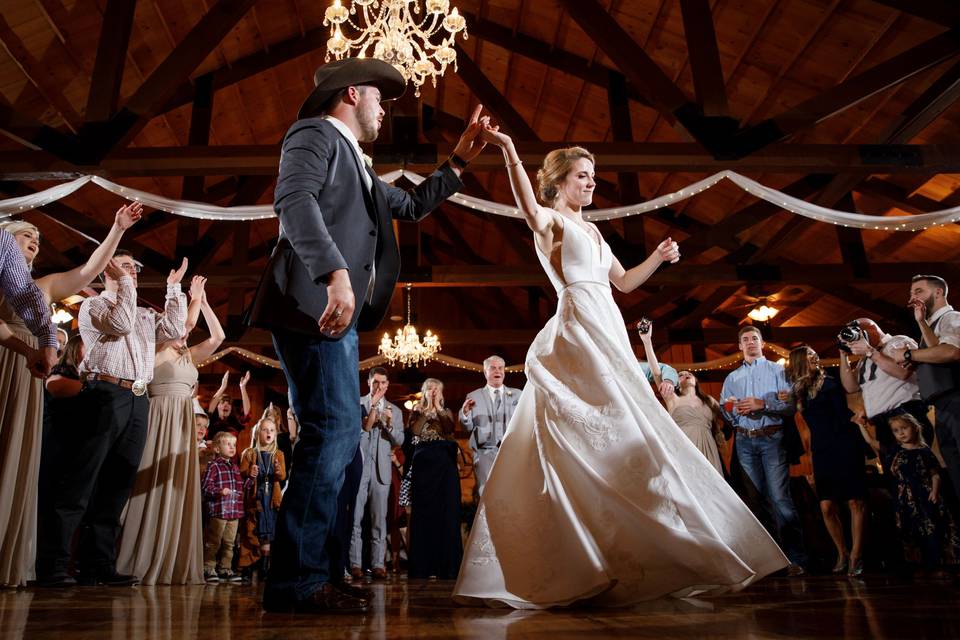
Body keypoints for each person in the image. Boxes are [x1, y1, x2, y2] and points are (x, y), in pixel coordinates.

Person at [454, 133, 788, 609]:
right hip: (578, 329)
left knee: (629, 429)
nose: (591, 183)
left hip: (608, 324)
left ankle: (638, 545)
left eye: (593, 176)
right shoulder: (550, 225)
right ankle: (578, 550)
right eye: (582, 176)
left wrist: (659, 256)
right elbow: (528, 206)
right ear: (560, 182)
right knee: (590, 427)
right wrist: (508, 150)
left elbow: (625, 282)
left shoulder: (593, 232)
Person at [246, 56, 488, 614]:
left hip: (339, 314)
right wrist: (334, 274)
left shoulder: (361, 165)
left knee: (335, 442)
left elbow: (413, 205)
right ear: (352, 94)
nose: (386, 109)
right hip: (315, 304)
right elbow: (293, 201)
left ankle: (322, 571)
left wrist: (458, 162)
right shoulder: (313, 134)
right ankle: (297, 583)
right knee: (331, 436)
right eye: (382, 98)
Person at [0, 205, 140, 587]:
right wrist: (28, 349)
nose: (34, 241)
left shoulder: (42, 287)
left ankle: (10, 555)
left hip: (31, 370)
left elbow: (88, 271)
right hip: (8, 360)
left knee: (18, 457)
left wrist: (116, 228)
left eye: (38, 239)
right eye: (26, 234)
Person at [35, 252, 187, 587]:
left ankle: (97, 564)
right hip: (103, 393)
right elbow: (120, 324)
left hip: (137, 398)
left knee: (117, 483)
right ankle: (54, 564)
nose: (133, 270)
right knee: (81, 480)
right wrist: (126, 285)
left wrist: (174, 290)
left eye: (135, 266)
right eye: (126, 265)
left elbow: (176, 328)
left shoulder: (146, 315)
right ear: (109, 271)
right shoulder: (94, 306)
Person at [116, 275, 225, 585]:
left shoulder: (188, 356)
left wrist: (202, 302)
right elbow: (182, 327)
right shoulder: (153, 352)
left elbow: (218, 337)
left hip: (182, 424)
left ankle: (172, 557)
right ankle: (141, 554)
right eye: (178, 331)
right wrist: (189, 301)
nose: (184, 335)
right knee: (148, 479)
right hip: (159, 418)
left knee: (177, 485)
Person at [719, 325, 807, 575]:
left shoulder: (779, 371)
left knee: (780, 497)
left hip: (772, 439)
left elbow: (790, 406)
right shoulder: (732, 378)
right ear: (739, 346)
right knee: (756, 502)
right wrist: (735, 413)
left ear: (762, 343)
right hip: (745, 441)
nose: (750, 343)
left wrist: (763, 404)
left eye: (754, 339)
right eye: (745, 340)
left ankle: (795, 559)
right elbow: (725, 409)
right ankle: (770, 562)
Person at [785, 346, 867, 576]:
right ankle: (841, 551)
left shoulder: (829, 382)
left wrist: (860, 415)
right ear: (799, 361)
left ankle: (856, 555)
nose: (815, 356)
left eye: (815, 353)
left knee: (854, 502)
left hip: (845, 443)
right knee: (826, 505)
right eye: (809, 354)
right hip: (822, 450)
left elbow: (846, 407)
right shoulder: (798, 392)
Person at [891, 275, 960, 504]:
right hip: (941, 406)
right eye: (911, 294)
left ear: (939, 292)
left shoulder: (951, 318)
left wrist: (911, 354)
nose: (913, 298)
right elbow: (936, 349)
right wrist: (921, 322)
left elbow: (951, 352)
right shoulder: (929, 327)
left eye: (918, 291)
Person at [839, 318, 931, 472]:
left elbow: (903, 373)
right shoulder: (864, 361)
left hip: (906, 416)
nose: (857, 338)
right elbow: (851, 387)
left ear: (872, 329)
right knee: (895, 478)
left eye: (859, 333)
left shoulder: (898, 341)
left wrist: (870, 351)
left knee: (918, 474)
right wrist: (843, 355)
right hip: (883, 424)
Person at [882, 414, 960, 570]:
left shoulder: (924, 451)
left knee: (930, 524)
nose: (901, 433)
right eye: (896, 430)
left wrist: (935, 492)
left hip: (924, 493)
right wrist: (861, 427)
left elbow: (935, 474)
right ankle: (915, 563)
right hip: (904, 496)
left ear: (915, 428)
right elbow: (873, 443)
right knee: (908, 527)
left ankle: (937, 561)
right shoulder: (895, 451)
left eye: (904, 428)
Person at [350, 367, 403, 579]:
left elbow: (399, 441)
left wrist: (389, 424)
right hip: (359, 468)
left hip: (381, 471)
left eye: (382, 383)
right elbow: (354, 432)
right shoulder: (358, 404)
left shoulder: (395, 411)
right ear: (369, 383)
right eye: (375, 383)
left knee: (379, 520)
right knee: (355, 517)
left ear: (387, 385)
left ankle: (378, 564)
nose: (378, 387)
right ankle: (354, 564)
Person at [406, 378, 461, 580]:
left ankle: (447, 566)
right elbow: (415, 431)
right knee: (423, 513)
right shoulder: (416, 411)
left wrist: (437, 408)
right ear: (424, 391)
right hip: (423, 464)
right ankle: (423, 566)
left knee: (446, 511)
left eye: (437, 388)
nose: (434, 391)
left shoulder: (446, 412)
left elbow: (448, 430)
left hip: (444, 463)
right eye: (430, 388)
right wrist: (425, 411)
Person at [0, 227, 58, 376]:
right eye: (27, 235)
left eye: (38, 242)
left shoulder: (4, 241)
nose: (35, 242)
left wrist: (32, 350)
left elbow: (25, 293)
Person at [459, 356, 521, 496]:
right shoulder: (473, 396)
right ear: (485, 372)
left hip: (511, 454)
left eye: (500, 368)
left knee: (511, 494)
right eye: (493, 368)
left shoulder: (517, 394)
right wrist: (465, 413)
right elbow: (466, 428)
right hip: (484, 454)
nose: (497, 371)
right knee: (486, 495)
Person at [238, 414, 287, 582]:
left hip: (270, 499)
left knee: (267, 531)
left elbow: (282, 477)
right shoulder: (250, 453)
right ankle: (247, 565)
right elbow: (242, 472)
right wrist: (249, 473)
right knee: (251, 529)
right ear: (257, 433)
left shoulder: (278, 454)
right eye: (265, 429)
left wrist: (279, 471)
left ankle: (264, 566)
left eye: (272, 430)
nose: (269, 432)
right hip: (255, 497)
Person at [201, 431, 244, 584]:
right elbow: (205, 487)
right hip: (219, 511)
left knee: (229, 542)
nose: (232, 447)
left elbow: (240, 488)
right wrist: (220, 491)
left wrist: (251, 478)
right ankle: (208, 567)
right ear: (217, 449)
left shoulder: (235, 467)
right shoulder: (213, 466)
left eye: (234, 444)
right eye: (228, 444)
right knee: (214, 541)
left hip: (234, 512)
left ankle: (225, 568)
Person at [207, 371, 252, 442]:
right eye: (222, 402)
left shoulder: (235, 423)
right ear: (217, 407)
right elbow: (211, 407)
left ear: (231, 409)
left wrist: (243, 387)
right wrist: (222, 387)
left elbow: (247, 414)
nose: (226, 405)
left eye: (229, 403)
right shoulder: (210, 421)